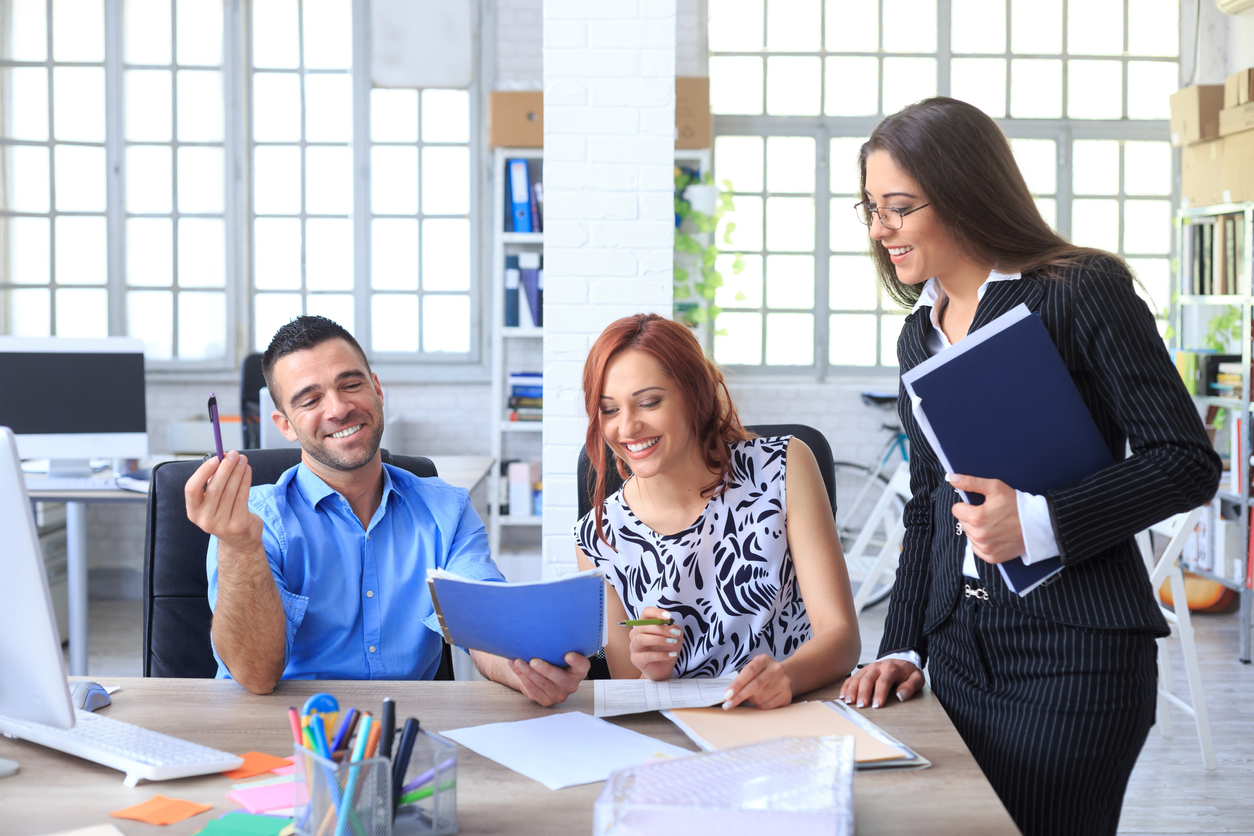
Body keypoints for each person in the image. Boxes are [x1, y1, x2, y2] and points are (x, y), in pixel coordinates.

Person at [838, 98, 1220, 836]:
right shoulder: (919, 333)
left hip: (1073, 657)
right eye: (870, 208)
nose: (879, 229)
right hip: (957, 657)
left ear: (962, 191)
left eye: (897, 207)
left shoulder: (1082, 291)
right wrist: (904, 644)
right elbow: (928, 507)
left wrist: (1039, 521)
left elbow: (1184, 462)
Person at [186, 315, 588, 705]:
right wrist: (240, 546)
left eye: (351, 384)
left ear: (377, 389)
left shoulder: (446, 510)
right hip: (287, 733)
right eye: (310, 399)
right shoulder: (250, 522)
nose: (339, 408)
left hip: (404, 730)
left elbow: (486, 627)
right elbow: (256, 676)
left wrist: (527, 670)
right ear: (285, 424)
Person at [574, 314, 861, 709]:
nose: (627, 427)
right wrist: (651, 667)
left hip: (793, 714)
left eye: (649, 402)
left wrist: (787, 678)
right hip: (683, 736)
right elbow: (629, 690)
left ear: (695, 395)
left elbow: (842, 637)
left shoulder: (783, 467)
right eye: (608, 410)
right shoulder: (597, 538)